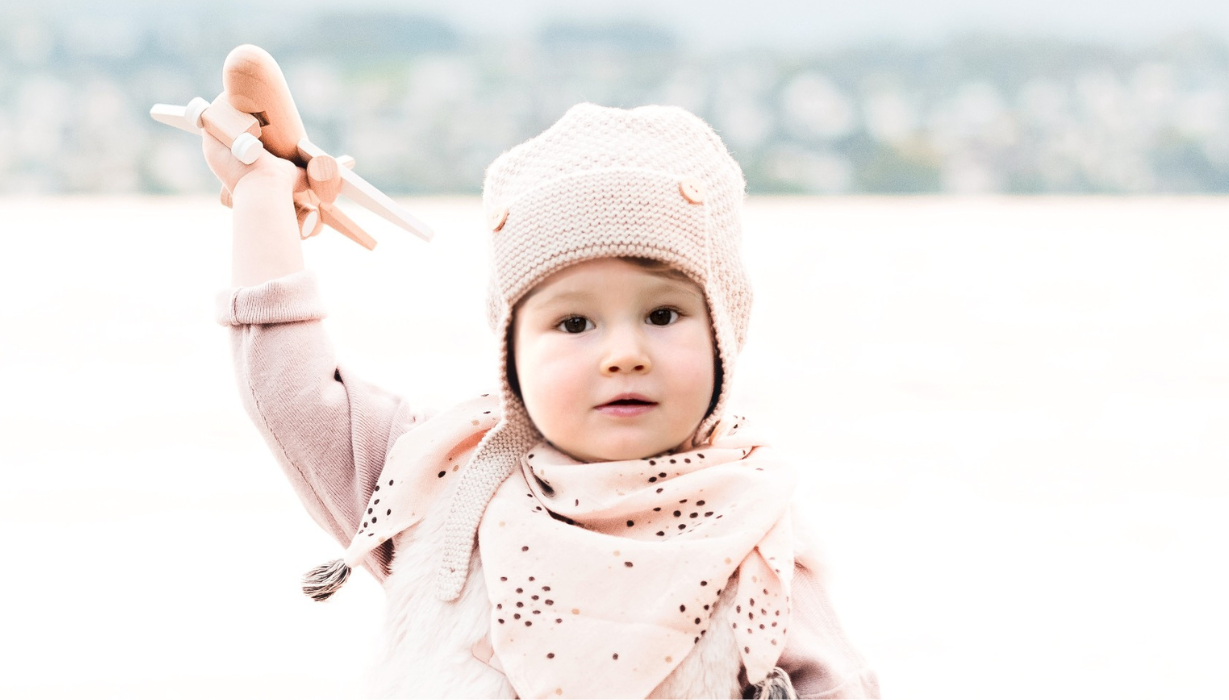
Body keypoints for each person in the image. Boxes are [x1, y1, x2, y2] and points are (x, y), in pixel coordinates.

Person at [205, 103, 880, 699]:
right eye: (575, 324)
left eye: (664, 314)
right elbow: (294, 392)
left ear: (723, 334)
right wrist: (263, 196)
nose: (624, 353)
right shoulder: (438, 484)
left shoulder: (757, 545)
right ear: (511, 352)